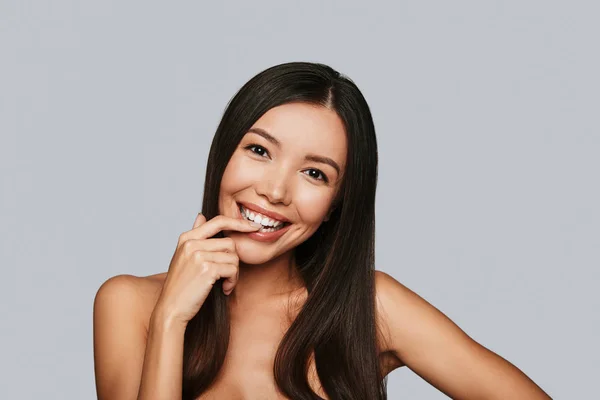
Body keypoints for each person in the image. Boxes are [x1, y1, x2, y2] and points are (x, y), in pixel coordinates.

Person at [93, 61, 551, 399]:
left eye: (315, 174)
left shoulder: (368, 307)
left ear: (337, 204)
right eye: (259, 150)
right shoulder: (131, 305)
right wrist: (171, 319)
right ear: (223, 155)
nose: (274, 191)